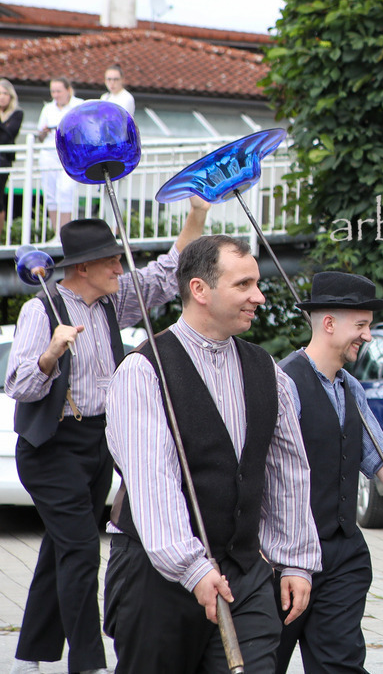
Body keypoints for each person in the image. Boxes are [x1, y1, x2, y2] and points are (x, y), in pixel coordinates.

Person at [5, 198, 209, 674]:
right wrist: (50, 355)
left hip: (99, 443)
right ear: (83, 268)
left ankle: (27, 658)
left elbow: (165, 273)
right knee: (79, 552)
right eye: (112, 260)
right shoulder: (44, 310)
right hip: (52, 448)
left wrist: (197, 214)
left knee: (61, 548)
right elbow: (19, 384)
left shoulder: (111, 301)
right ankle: (89, 664)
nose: (121, 266)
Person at [103, 235, 321, 672]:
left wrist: (296, 560)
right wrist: (191, 567)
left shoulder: (268, 371)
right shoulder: (144, 372)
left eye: (257, 284)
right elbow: (153, 481)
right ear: (200, 290)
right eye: (243, 285)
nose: (258, 297)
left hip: (244, 572)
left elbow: (287, 471)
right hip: (158, 575)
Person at [276, 271, 383, 673]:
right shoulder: (284, 384)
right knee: (263, 664)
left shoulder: (351, 387)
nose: (367, 336)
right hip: (285, 558)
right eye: (362, 325)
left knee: (340, 665)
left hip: (342, 556)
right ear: (329, 324)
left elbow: (381, 456)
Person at [36, 77, 83, 235]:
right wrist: (43, 132)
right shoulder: (48, 108)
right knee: (50, 194)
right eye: (53, 91)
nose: (55, 95)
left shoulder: (78, 105)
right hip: (49, 153)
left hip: (70, 154)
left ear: (68, 90)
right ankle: (57, 234)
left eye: (58, 91)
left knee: (65, 191)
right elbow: (39, 136)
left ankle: (66, 234)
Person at [0, 78, 24, 234]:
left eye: (4, 93)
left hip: (3, 161)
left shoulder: (17, 113)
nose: (1, 97)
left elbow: (7, 136)